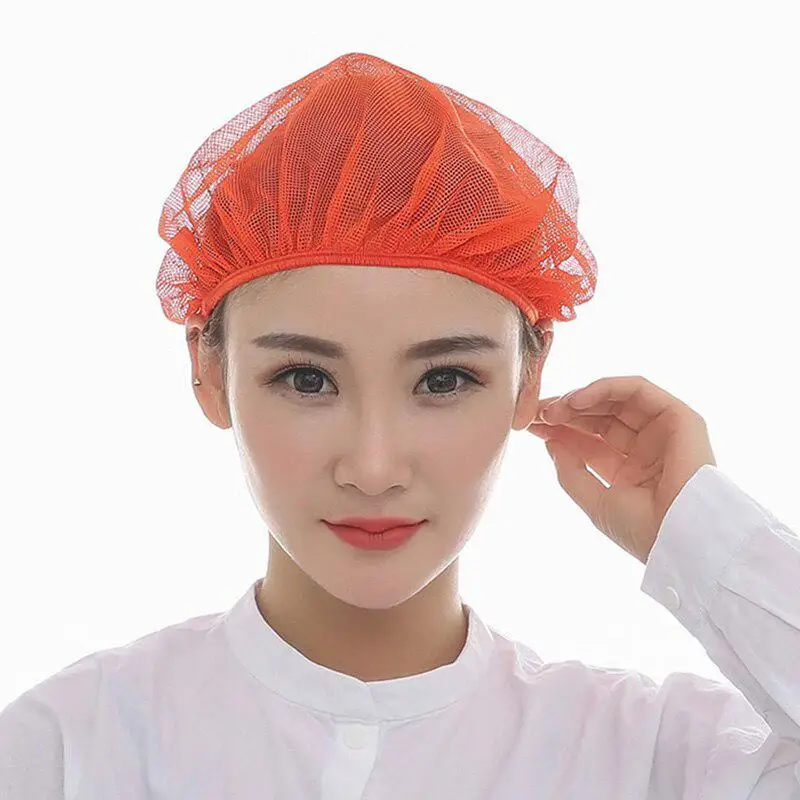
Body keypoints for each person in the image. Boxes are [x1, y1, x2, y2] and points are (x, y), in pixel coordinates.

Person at [2, 51, 798, 798]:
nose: (374, 467)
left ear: (530, 379)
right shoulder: (67, 749)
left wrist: (703, 535)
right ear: (208, 372)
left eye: (443, 380)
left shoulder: (654, 758)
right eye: (306, 379)